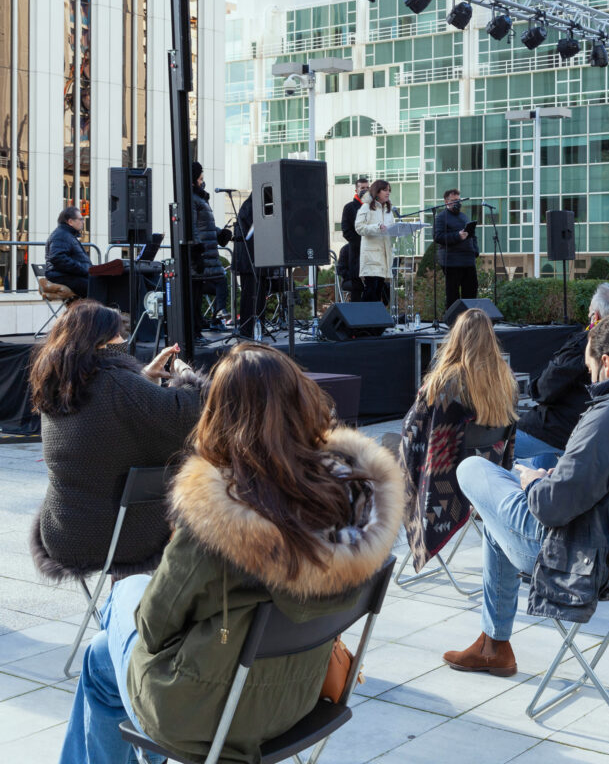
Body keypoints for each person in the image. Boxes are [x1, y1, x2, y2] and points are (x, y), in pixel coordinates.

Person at [57, 342, 404, 764]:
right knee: (99, 656)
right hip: (299, 698)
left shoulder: (219, 521)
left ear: (219, 416)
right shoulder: (350, 509)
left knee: (123, 597)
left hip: (207, 717)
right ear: (302, 403)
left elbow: (153, 627)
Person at [443, 314, 609, 677]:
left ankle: (494, 644)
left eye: (590, 369)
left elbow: (550, 509)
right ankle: (493, 645)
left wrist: (534, 483)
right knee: (496, 517)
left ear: (606, 362)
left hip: (580, 558)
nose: (590, 378)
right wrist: (558, 475)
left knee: (473, 468)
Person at [29, 301, 206, 583]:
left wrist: (143, 379)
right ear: (99, 341)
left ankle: (122, 599)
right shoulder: (118, 384)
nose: (123, 340)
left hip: (62, 534)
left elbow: (107, 419)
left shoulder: (57, 384)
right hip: (122, 538)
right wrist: (184, 376)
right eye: (117, 334)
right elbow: (189, 412)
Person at [401, 308, 517, 573]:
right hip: (487, 472)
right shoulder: (506, 379)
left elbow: (411, 429)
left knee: (397, 453)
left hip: (447, 479)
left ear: (456, 338)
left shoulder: (444, 382)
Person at [514, 283, 609, 470]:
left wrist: (533, 388)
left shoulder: (585, 344)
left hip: (566, 427)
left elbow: (547, 388)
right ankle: (541, 483)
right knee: (544, 453)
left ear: (595, 316)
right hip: (595, 427)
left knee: (499, 443)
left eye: (590, 311)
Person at [190, 161, 232, 332]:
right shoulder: (193, 199)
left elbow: (206, 226)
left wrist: (221, 233)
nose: (203, 182)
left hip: (209, 253)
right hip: (203, 254)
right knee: (203, 288)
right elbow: (192, 227)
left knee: (218, 281)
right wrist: (196, 251)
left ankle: (214, 318)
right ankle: (208, 322)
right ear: (193, 180)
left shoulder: (200, 199)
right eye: (200, 179)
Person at [434, 187, 479, 308]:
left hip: (468, 260)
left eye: (459, 200)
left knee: (471, 293)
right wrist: (457, 236)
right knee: (453, 296)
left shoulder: (464, 216)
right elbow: (438, 237)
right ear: (446, 201)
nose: (457, 203)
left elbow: (473, 235)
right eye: (454, 200)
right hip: (452, 262)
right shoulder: (441, 217)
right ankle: (453, 319)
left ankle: (469, 318)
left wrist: (475, 251)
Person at [355, 179, 396, 306]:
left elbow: (391, 230)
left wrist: (396, 231)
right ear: (377, 191)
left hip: (384, 257)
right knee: (370, 292)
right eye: (385, 190)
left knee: (378, 292)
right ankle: (363, 318)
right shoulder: (366, 207)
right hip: (371, 257)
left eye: (389, 190)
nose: (388, 193)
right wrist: (377, 227)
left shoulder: (388, 210)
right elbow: (359, 228)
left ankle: (374, 319)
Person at [231, 193, 261, 339]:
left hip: (254, 258)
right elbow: (246, 233)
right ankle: (246, 328)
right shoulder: (250, 206)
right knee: (249, 295)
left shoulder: (253, 205)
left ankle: (256, 326)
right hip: (248, 259)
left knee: (257, 294)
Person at [45, 206, 91, 299]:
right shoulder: (61, 235)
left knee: (100, 282)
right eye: (80, 219)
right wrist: (83, 269)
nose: (83, 222)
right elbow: (58, 258)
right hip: (62, 276)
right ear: (70, 222)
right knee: (97, 286)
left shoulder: (67, 235)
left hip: (68, 275)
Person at [340, 175, 370, 301]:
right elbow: (346, 231)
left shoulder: (374, 207)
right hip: (356, 253)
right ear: (356, 190)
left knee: (372, 286)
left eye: (367, 188)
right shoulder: (349, 207)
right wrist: (361, 242)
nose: (365, 190)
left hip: (372, 253)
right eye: (362, 188)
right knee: (357, 288)